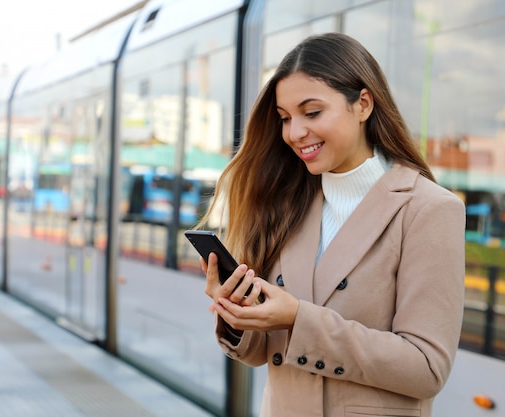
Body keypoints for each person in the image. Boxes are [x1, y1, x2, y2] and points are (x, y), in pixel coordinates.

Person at [199, 32, 465, 417]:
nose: (294, 133)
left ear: (363, 104)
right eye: (285, 118)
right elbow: (264, 353)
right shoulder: (288, 201)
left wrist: (298, 318)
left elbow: (426, 368)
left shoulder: (427, 209)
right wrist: (238, 315)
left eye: (312, 112)